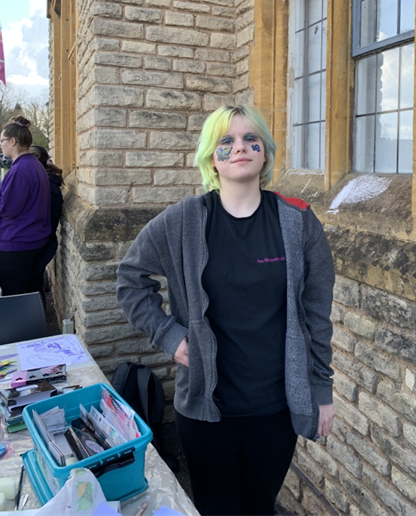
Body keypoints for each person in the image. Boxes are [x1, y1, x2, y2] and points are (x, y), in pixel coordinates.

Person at [117, 105, 335, 516]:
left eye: (251, 140)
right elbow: (131, 279)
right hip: (205, 414)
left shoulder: (298, 221)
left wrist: (321, 388)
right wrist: (169, 335)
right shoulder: (183, 220)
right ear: (211, 157)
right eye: (226, 141)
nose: (240, 148)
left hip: (275, 410)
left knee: (258, 508)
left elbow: (317, 312)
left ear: (265, 153)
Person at [0, 116, 51, 296]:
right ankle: (33, 325)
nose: (1, 145)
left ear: (13, 141)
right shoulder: (32, 165)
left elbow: (6, 209)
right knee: (31, 295)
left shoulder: (21, 170)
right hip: (31, 241)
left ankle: (23, 326)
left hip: (17, 246)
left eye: (1, 141)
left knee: (16, 300)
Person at [28, 145, 64, 299]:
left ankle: (36, 321)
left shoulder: (47, 187)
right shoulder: (48, 183)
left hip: (43, 242)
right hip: (45, 241)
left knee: (33, 288)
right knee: (34, 286)